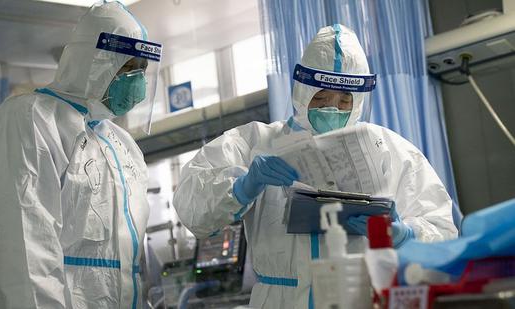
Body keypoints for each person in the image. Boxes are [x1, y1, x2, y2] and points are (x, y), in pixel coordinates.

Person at [173, 24, 458, 308]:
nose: (332, 108)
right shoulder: (254, 142)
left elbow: (441, 230)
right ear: (302, 90)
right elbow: (192, 207)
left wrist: (404, 234)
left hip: (359, 298)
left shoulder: (389, 150)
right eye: (321, 97)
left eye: (345, 100)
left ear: (358, 101)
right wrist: (243, 186)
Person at [0, 1, 162, 308]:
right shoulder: (29, 120)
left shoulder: (121, 144)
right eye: (128, 67)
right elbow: (26, 253)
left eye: (142, 69)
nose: (137, 79)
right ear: (95, 61)